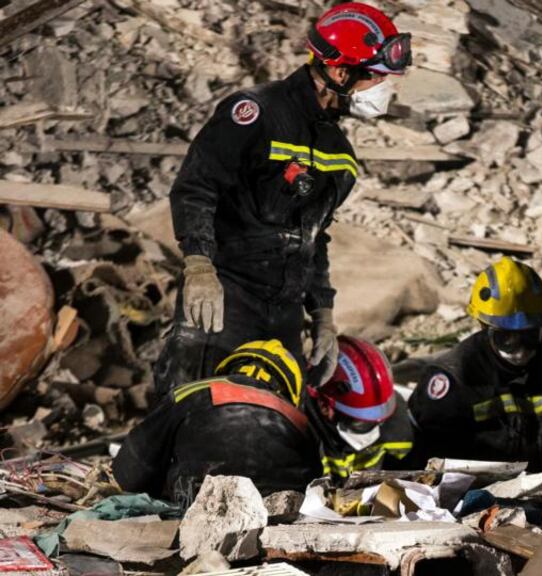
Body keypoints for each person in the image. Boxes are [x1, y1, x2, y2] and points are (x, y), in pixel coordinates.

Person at [154, 3, 412, 395]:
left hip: (285, 315)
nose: (384, 90)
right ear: (341, 71)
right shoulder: (256, 113)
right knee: (193, 418)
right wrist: (199, 266)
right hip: (225, 301)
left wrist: (322, 313)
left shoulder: (339, 151)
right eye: (376, 78)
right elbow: (197, 187)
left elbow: (314, 236)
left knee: (276, 434)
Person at [407, 257, 542, 471]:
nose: (520, 350)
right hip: (467, 493)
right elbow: (423, 458)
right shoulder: (454, 378)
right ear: (484, 327)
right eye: (506, 339)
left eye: (530, 336)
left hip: (535, 485)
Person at [113, 340, 319, 506]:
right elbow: (315, 486)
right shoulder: (300, 421)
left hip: (200, 508)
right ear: (289, 388)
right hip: (280, 517)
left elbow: (130, 473)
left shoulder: (191, 391)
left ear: (228, 368)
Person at [305, 335, 414, 479]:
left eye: (376, 420)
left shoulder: (395, 426)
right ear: (325, 406)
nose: (372, 427)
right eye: (360, 421)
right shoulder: (299, 433)